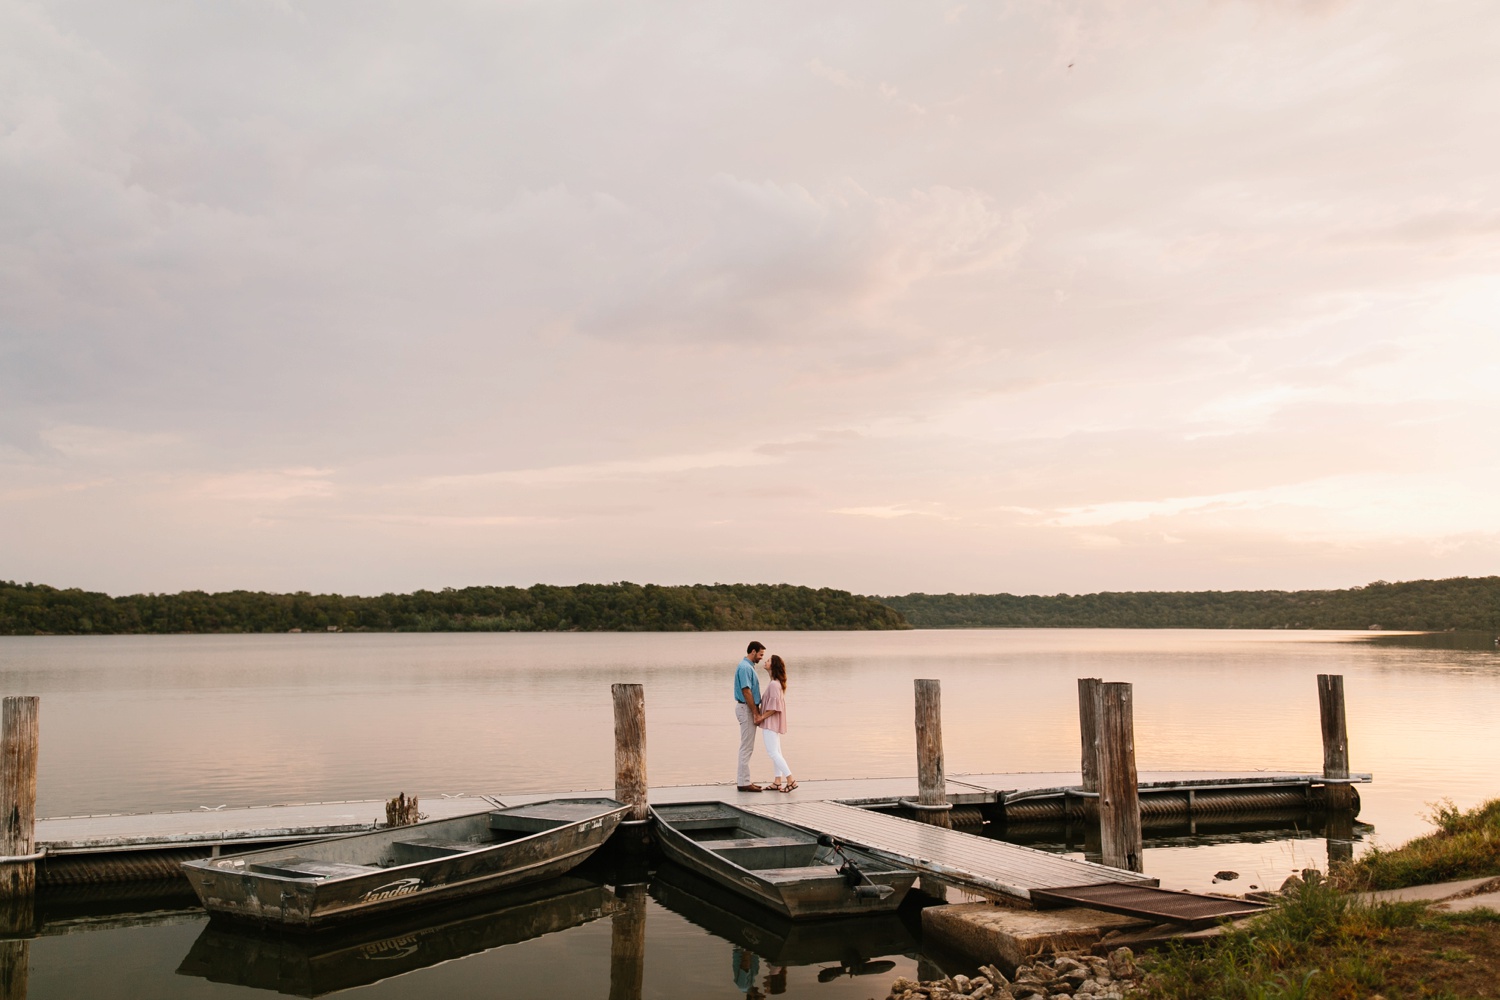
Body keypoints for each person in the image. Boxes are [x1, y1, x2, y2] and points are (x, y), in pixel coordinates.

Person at [758, 654, 796, 791]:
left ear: (773, 665)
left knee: (772, 752)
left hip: (770, 723)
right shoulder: (774, 683)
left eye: (768, 660)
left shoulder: (774, 684)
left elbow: (775, 708)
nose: (765, 661)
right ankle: (777, 781)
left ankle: (790, 779)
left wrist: (761, 717)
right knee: (776, 752)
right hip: (772, 723)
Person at [733, 640, 766, 791]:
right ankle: (744, 783)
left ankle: (744, 781)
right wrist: (755, 713)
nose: (761, 657)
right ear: (753, 651)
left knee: (747, 746)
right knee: (746, 747)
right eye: (760, 654)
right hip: (746, 708)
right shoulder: (745, 668)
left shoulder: (748, 666)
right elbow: (746, 691)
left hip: (747, 708)